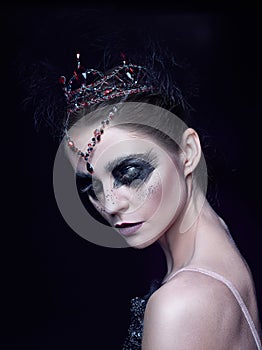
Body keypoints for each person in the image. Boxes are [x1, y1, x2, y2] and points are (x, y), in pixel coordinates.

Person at [35, 44, 262, 349]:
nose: (110, 205)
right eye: (92, 187)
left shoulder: (182, 303)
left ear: (188, 153)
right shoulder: (218, 249)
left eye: (129, 173)